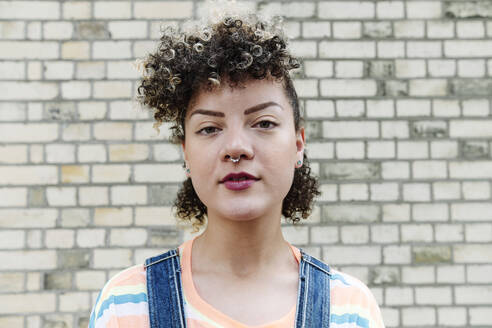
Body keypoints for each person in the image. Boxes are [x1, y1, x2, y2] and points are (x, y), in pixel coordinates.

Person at [89, 1, 385, 327]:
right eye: (210, 128)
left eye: (264, 123)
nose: (236, 148)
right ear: (186, 151)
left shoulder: (348, 307)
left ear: (298, 144)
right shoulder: (126, 303)